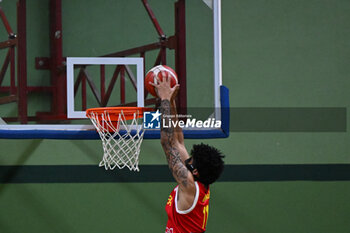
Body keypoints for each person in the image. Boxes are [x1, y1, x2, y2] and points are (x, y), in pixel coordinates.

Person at [150, 72, 225, 233]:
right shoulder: (199, 181)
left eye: (191, 160)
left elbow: (167, 144)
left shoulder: (189, 184)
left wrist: (163, 99)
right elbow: (177, 141)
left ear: (195, 170)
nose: (188, 159)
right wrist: (171, 101)